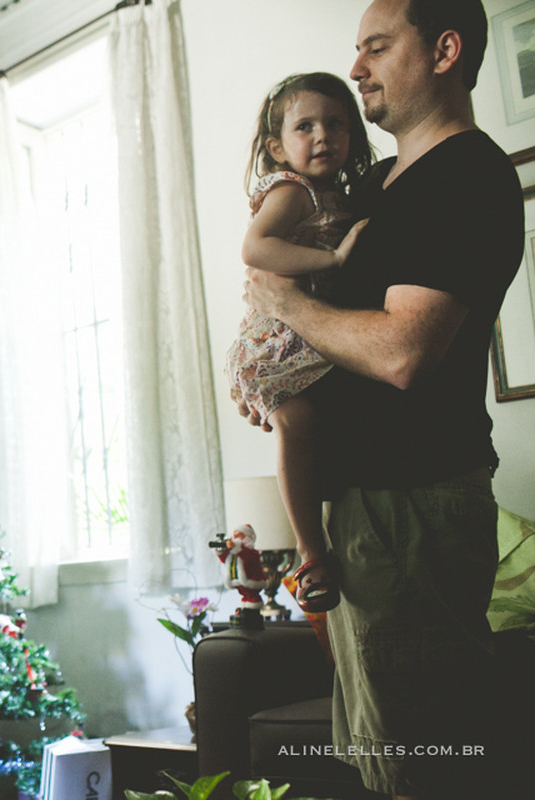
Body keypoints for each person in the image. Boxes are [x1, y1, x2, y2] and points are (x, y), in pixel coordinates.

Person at [243, 1, 523, 797]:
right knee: (386, 755)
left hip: (413, 509)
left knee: (427, 758)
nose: (357, 68)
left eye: (375, 47)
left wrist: (284, 304)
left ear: (443, 50)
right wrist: (276, 373)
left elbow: (403, 352)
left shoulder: (464, 173)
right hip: (366, 510)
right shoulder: (376, 184)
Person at [226, 72, 374, 614]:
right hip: (275, 340)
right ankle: (310, 552)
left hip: (306, 332)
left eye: (336, 124)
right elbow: (255, 248)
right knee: (298, 424)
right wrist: (331, 260)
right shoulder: (293, 190)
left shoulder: (340, 193)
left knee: (319, 427)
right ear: (276, 145)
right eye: (305, 125)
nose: (322, 136)